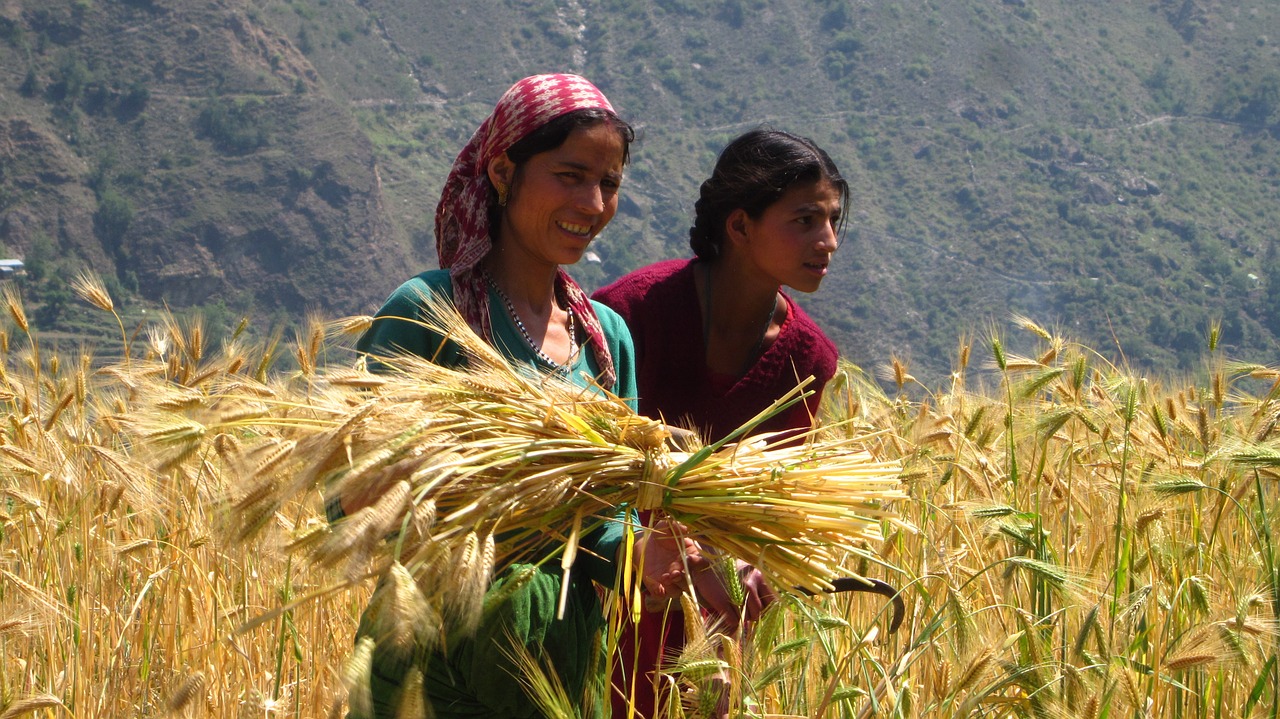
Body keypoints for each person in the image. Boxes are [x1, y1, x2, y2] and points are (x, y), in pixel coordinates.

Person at [343, 73, 706, 719]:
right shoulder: (430, 311)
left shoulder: (606, 340)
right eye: (570, 174)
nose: (593, 202)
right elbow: (349, 499)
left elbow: (602, 517)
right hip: (434, 664)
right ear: (504, 171)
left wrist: (637, 556)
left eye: (610, 183)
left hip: (555, 668)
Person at [593, 128, 847, 718]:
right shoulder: (629, 316)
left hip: (707, 621)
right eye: (805, 220)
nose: (829, 241)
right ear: (738, 226)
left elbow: (766, 506)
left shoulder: (808, 361)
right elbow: (588, 471)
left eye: (833, 221)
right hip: (604, 587)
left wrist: (744, 567)